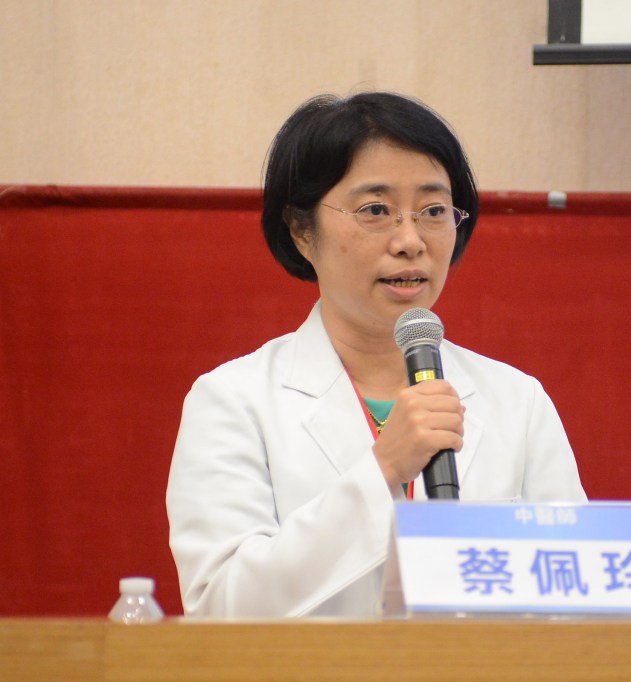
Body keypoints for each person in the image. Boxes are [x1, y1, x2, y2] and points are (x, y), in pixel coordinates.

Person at [166, 91, 587, 618]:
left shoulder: (517, 401)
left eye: (433, 211)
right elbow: (220, 606)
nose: (410, 240)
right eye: (376, 210)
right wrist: (382, 469)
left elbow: (575, 592)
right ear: (301, 231)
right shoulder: (233, 400)